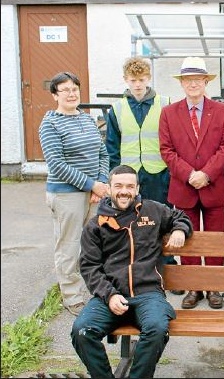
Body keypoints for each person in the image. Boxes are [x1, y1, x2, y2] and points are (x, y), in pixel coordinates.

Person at [71, 164, 193, 379]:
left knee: (156, 328)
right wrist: (109, 295)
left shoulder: (153, 210)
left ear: (137, 189)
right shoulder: (96, 225)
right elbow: (89, 267)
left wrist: (180, 230)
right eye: (118, 186)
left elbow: (180, 216)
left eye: (129, 186)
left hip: (148, 294)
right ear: (109, 188)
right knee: (82, 331)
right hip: (110, 297)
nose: (124, 191)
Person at [159, 57, 224, 310]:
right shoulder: (169, 113)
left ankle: (213, 287)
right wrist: (190, 174)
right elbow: (167, 150)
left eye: (197, 79)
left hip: (213, 187)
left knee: (214, 240)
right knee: (186, 240)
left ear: (205, 82)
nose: (193, 84)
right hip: (184, 188)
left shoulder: (223, 111)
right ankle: (194, 288)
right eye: (188, 80)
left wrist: (207, 174)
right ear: (182, 83)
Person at [104, 56, 181, 293]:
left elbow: (174, 140)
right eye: (133, 80)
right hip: (128, 178)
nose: (137, 84)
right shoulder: (116, 109)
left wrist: (171, 170)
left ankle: (167, 268)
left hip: (158, 173)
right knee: (130, 223)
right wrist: (114, 178)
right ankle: (135, 272)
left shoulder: (165, 103)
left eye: (142, 79)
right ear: (125, 80)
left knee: (162, 221)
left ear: (149, 78)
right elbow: (111, 146)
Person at [39, 71, 109, 317]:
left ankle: (92, 289)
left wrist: (100, 183)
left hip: (94, 193)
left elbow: (103, 154)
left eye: (75, 89)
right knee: (68, 246)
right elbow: (56, 164)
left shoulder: (88, 120)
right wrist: (92, 184)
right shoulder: (50, 123)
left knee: (91, 246)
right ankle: (72, 297)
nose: (71, 93)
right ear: (55, 95)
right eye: (65, 90)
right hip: (66, 195)